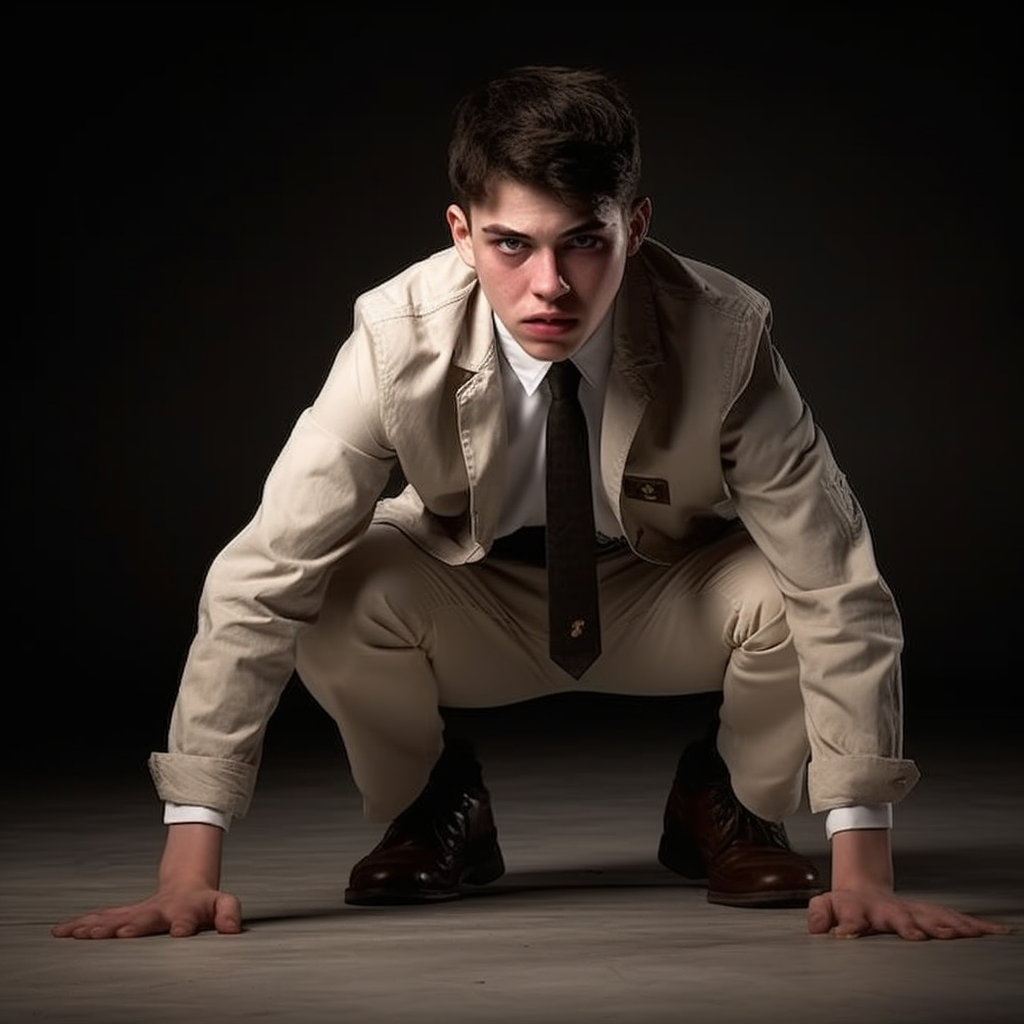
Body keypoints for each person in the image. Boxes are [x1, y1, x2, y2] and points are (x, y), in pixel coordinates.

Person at [53, 64, 1009, 943]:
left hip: (664, 593)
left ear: (634, 227)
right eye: (511, 244)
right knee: (333, 589)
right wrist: (189, 864)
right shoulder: (395, 340)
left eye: (584, 243)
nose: (549, 286)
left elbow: (839, 582)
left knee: (793, 590)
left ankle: (730, 799)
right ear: (461, 233)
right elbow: (260, 579)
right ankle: (433, 804)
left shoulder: (725, 333)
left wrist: (865, 869)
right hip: (475, 600)